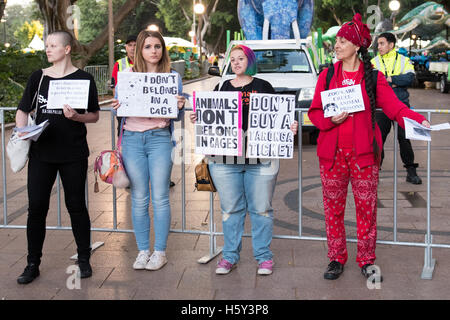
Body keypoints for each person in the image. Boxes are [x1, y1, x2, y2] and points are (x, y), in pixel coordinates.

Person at [307, 14, 430, 281]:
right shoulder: (327, 76)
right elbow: (314, 113)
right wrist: (330, 119)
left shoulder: (373, 77)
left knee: (366, 210)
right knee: (333, 209)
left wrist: (419, 120)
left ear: (357, 46)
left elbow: (396, 108)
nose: (336, 46)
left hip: (364, 155)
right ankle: (336, 257)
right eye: (336, 41)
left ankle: (366, 259)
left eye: (342, 41)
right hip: (332, 155)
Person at [190, 45, 299, 276]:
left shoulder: (264, 86)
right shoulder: (221, 87)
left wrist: (289, 126)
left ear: (250, 61)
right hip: (225, 161)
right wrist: (199, 117)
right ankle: (229, 256)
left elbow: (278, 116)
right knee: (230, 209)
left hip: (260, 159)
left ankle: (263, 257)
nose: (236, 63)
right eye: (233, 59)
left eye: (241, 58)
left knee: (261, 209)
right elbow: (212, 120)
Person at [15, 30, 100, 284]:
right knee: (36, 208)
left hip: (73, 152)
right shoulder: (38, 78)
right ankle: (32, 263)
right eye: (46, 45)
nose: (47, 49)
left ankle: (84, 258)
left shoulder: (84, 79)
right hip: (41, 153)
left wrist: (77, 117)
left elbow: (94, 114)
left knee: (76, 206)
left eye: (53, 45)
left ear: (67, 49)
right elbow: (22, 110)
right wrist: (23, 131)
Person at [111, 30, 185, 271]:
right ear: (139, 51)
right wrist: (116, 107)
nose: (154, 50)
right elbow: (117, 112)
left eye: (157, 46)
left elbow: (178, 114)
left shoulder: (172, 76)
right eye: (148, 46)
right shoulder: (127, 76)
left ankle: (160, 251)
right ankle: (143, 250)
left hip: (159, 138)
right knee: (139, 197)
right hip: (132, 140)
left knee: (161, 196)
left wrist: (180, 105)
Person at [372, 32, 422, 184]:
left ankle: (411, 172)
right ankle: (375, 171)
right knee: (378, 139)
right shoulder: (373, 62)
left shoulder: (403, 60)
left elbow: (410, 78)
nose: (379, 47)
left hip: (401, 106)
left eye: (381, 43)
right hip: (381, 108)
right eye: (378, 44)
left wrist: (390, 79)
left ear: (391, 44)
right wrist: (395, 83)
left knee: (404, 138)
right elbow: (371, 82)